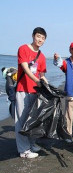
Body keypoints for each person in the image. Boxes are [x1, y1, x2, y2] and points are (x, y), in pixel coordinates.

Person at [15, 27, 48, 158]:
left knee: (33, 120)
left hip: (35, 92)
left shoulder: (42, 56)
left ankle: (31, 143)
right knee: (21, 120)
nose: (40, 39)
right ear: (33, 36)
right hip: (23, 90)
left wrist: (48, 86)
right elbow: (26, 69)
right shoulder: (23, 49)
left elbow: (42, 75)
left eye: (43, 38)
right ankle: (24, 150)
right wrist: (37, 80)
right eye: (38, 36)